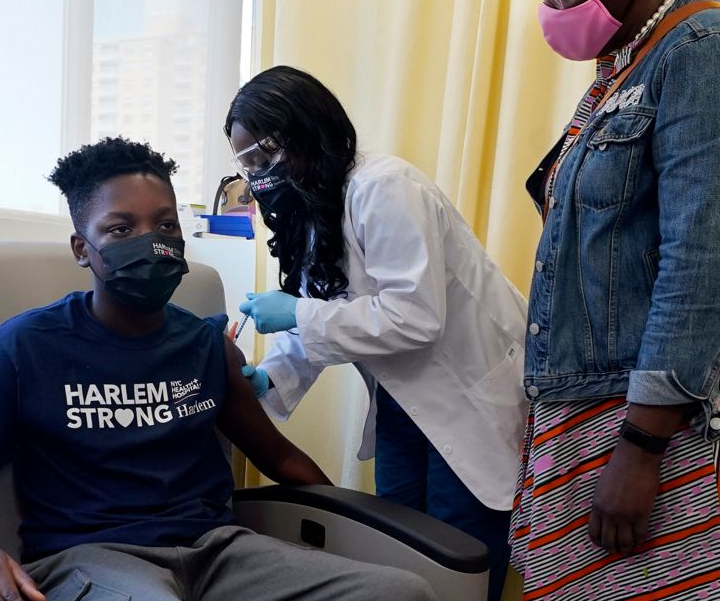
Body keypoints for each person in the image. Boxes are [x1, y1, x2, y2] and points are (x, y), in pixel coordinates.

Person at [0, 138, 436, 601]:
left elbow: (282, 458)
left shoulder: (206, 345)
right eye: (121, 228)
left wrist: (348, 525)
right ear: (82, 249)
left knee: (402, 593)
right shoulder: (26, 348)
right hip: (93, 558)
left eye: (165, 224)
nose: (149, 241)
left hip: (219, 555)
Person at [509, 0, 720, 599]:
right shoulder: (628, 64)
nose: (551, 7)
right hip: (603, 399)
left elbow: (702, 264)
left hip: (667, 419)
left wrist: (640, 446)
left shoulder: (709, 53)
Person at [226, 66, 528, 601]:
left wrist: (297, 313)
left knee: (459, 561)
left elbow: (413, 315)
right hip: (401, 404)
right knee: (398, 554)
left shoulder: (384, 187)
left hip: (469, 398)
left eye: (264, 154)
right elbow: (322, 320)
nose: (257, 174)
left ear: (307, 130)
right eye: (245, 161)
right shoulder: (315, 209)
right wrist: (267, 379)